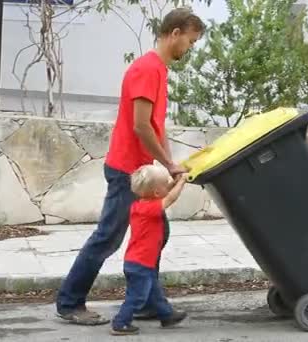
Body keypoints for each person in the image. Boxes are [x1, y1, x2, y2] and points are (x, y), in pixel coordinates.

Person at [56, 8, 206, 325]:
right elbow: (140, 126)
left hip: (140, 170)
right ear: (175, 33)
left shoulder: (160, 71)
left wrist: (170, 165)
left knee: (153, 234)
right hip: (127, 171)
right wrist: (166, 163)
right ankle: (70, 303)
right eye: (190, 42)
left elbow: (156, 126)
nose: (189, 49)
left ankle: (150, 303)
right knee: (107, 238)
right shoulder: (147, 69)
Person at [111, 165, 189, 335]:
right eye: (165, 183)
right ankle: (120, 323)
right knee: (137, 296)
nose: (168, 185)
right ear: (156, 193)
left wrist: (171, 183)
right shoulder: (151, 209)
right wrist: (182, 182)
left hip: (140, 261)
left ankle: (167, 316)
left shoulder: (139, 205)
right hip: (141, 263)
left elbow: (162, 193)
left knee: (154, 291)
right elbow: (170, 199)